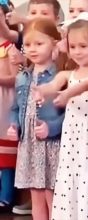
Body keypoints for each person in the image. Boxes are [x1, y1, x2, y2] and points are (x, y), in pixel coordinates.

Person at [35, 19, 88, 220]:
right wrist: (42, 91)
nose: (77, 51)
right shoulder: (66, 74)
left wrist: (70, 92)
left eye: (83, 46)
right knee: (71, 173)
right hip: (72, 138)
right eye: (73, 46)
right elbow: (52, 86)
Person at [7, 18, 65, 220]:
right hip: (29, 144)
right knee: (36, 197)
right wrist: (14, 125)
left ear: (54, 44)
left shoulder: (59, 76)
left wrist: (52, 127)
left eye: (39, 44)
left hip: (51, 146)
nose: (32, 49)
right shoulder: (23, 76)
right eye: (28, 44)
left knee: (53, 195)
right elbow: (15, 108)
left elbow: (68, 113)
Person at [0, 1, 19, 212]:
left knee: (5, 155)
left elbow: (16, 78)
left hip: (5, 103)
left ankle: (6, 196)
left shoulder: (11, 47)